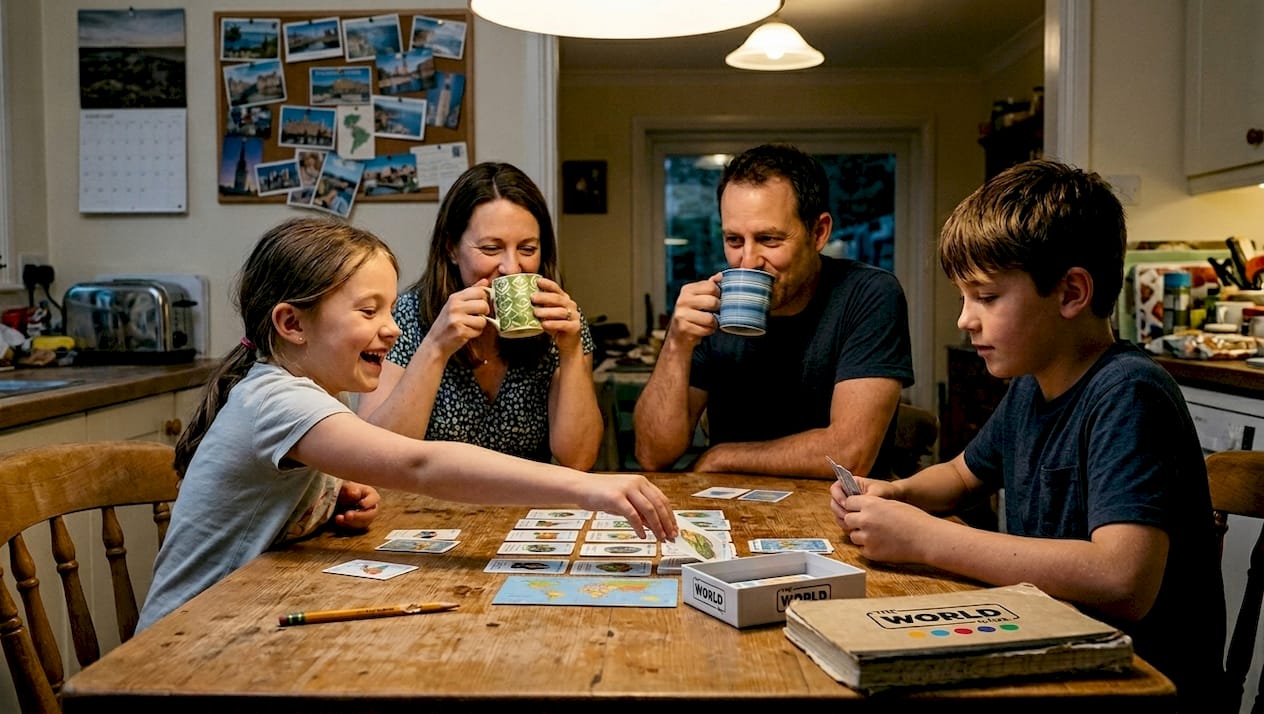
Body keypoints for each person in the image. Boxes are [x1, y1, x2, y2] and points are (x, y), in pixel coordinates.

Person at [137, 216, 675, 632]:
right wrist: (589, 487)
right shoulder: (277, 399)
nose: (393, 329)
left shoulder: (302, 391)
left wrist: (326, 499)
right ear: (292, 323)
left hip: (240, 621)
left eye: (391, 310)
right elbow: (420, 462)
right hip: (183, 649)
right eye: (368, 311)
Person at [831, 160, 1225, 708]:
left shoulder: (1129, 393)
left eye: (986, 297)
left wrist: (924, 539)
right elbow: (963, 475)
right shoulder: (1031, 387)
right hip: (1053, 650)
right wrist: (895, 494)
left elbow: (1122, 580)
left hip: (1132, 684)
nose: (966, 320)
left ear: (1071, 293)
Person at [633, 143, 914, 478]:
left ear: (819, 232)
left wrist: (722, 457)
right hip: (731, 513)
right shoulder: (712, 304)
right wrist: (676, 345)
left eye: (769, 240)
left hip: (838, 512)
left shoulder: (868, 294)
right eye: (734, 241)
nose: (748, 261)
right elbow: (652, 456)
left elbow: (850, 454)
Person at [356, 162, 602, 470]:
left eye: (527, 249)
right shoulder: (405, 317)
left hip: (523, 504)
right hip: (425, 507)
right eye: (490, 248)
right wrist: (436, 347)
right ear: (452, 249)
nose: (511, 267)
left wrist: (571, 350)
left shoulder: (562, 320)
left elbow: (578, 459)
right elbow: (375, 461)